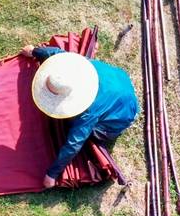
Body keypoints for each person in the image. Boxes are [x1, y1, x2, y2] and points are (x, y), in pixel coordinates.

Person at [22, 43, 139, 188]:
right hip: (119, 80)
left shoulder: (87, 112)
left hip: (122, 114)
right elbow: (57, 53)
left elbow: (74, 143)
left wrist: (52, 174)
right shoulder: (76, 66)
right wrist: (34, 51)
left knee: (84, 129)